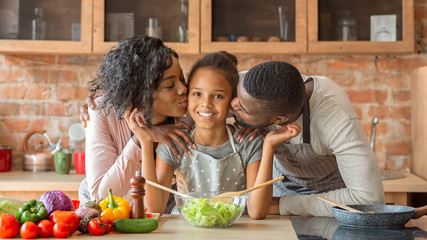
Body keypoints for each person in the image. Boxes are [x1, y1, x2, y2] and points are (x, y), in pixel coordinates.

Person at [124, 52, 301, 219]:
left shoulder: (249, 144)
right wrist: (146, 143)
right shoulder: (174, 144)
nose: (206, 104)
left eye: (217, 96)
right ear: (187, 96)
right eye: (197, 94)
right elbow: (154, 209)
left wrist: (268, 146)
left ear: (232, 101)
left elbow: (257, 212)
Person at [231, 61, 385, 217]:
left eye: (242, 108)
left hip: (327, 201)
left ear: (279, 119)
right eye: (237, 96)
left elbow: (370, 199)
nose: (232, 105)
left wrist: (283, 204)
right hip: (275, 194)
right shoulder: (250, 84)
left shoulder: (336, 119)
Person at [78, 35, 196, 213]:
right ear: (141, 93)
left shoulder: (190, 110)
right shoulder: (101, 111)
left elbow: (230, 92)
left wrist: (252, 120)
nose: (183, 89)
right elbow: (101, 197)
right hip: (108, 209)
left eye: (182, 79)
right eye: (170, 85)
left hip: (165, 204)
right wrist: (142, 139)